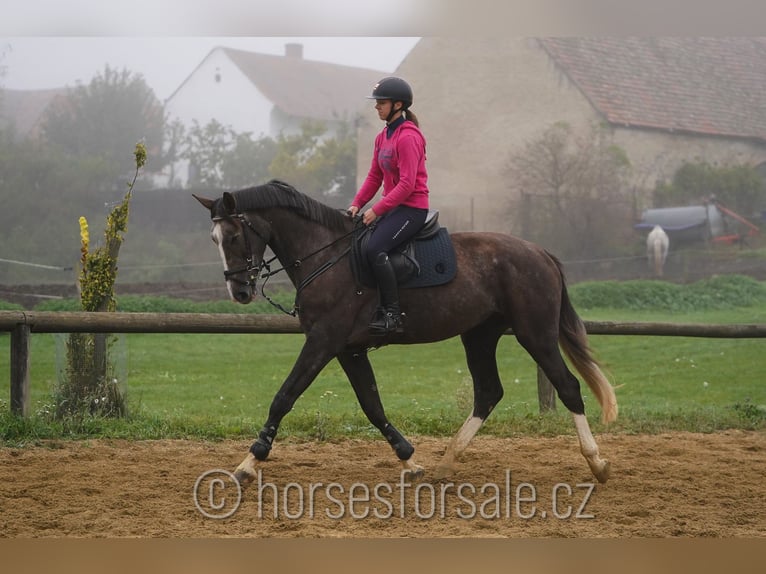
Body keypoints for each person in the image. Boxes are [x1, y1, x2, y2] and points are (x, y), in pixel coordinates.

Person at [348, 76, 430, 335]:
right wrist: (357, 204)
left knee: (375, 248)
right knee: (358, 243)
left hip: (412, 209)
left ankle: (392, 314)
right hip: (394, 207)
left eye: (381, 103)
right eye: (377, 103)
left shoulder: (408, 138)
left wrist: (376, 210)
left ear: (397, 105)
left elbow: (406, 185)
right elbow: (374, 176)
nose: (376, 107)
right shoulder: (383, 137)